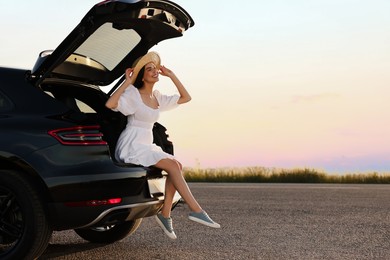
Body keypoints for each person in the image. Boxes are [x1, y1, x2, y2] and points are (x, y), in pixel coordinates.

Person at [105, 52, 220, 239]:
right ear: (141, 75)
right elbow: (110, 104)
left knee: (177, 166)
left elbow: (186, 97)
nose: (154, 71)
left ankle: (165, 214)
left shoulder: (157, 97)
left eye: (155, 68)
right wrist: (128, 81)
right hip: (133, 144)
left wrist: (172, 75)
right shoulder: (134, 94)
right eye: (149, 69)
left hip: (147, 144)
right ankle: (196, 210)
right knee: (173, 166)